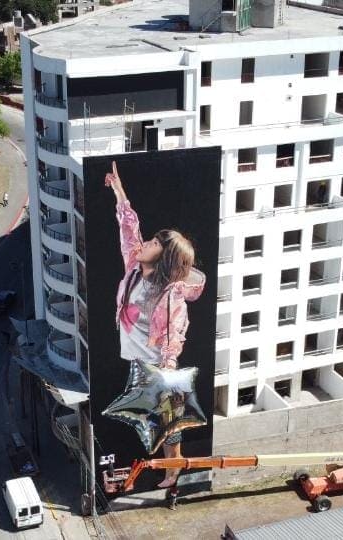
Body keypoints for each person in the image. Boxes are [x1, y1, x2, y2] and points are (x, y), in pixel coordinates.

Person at [105, 161, 205, 488]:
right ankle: (169, 466)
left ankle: (172, 470)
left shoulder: (169, 294)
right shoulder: (134, 268)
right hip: (135, 359)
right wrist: (120, 194)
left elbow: (176, 331)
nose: (147, 242)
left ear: (164, 259)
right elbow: (129, 231)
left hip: (155, 363)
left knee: (166, 418)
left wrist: (168, 367)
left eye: (156, 243)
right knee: (153, 419)